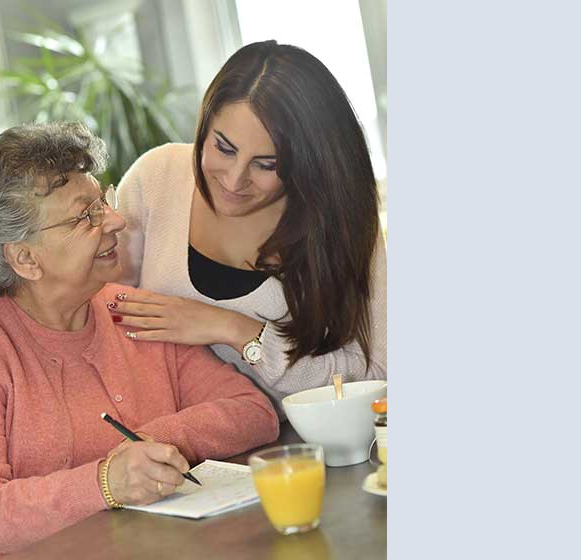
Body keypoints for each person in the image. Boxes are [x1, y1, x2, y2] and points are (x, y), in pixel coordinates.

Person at [0, 122, 279, 559]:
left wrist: (148, 442)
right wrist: (105, 481)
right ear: (24, 258)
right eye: (85, 216)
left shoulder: (130, 310)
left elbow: (253, 413)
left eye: (103, 202)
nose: (116, 221)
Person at [109, 40, 387, 415]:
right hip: (171, 452)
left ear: (306, 163)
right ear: (205, 125)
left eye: (266, 165)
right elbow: (100, 320)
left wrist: (237, 331)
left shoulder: (340, 222)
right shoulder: (155, 178)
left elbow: (378, 377)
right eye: (223, 148)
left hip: (303, 455)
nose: (234, 180)